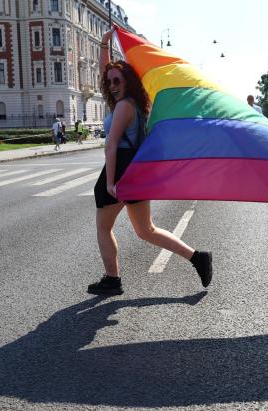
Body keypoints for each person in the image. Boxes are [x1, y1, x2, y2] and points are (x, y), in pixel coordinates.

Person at [88, 60, 212, 296]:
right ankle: (198, 258)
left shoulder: (123, 107)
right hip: (136, 169)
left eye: (117, 81)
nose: (112, 85)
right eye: (109, 81)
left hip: (121, 168)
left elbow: (111, 145)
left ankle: (112, 279)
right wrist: (105, 46)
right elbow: (109, 72)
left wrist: (109, 182)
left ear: (128, 82)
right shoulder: (137, 105)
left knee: (103, 227)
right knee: (146, 230)